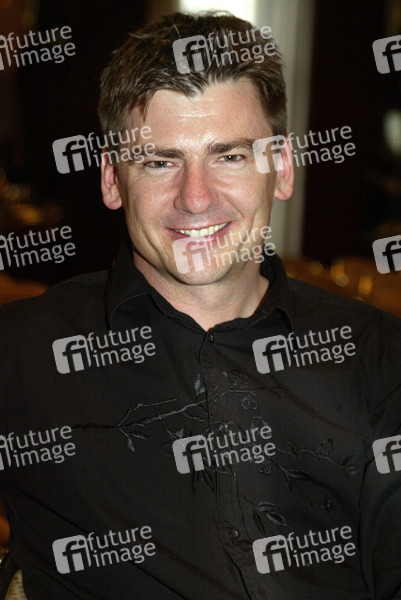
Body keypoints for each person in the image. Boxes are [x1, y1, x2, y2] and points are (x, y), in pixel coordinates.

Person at [1, 10, 401, 600]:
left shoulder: (380, 357)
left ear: (281, 168)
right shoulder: (22, 350)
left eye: (229, 156)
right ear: (111, 178)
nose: (195, 198)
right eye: (160, 161)